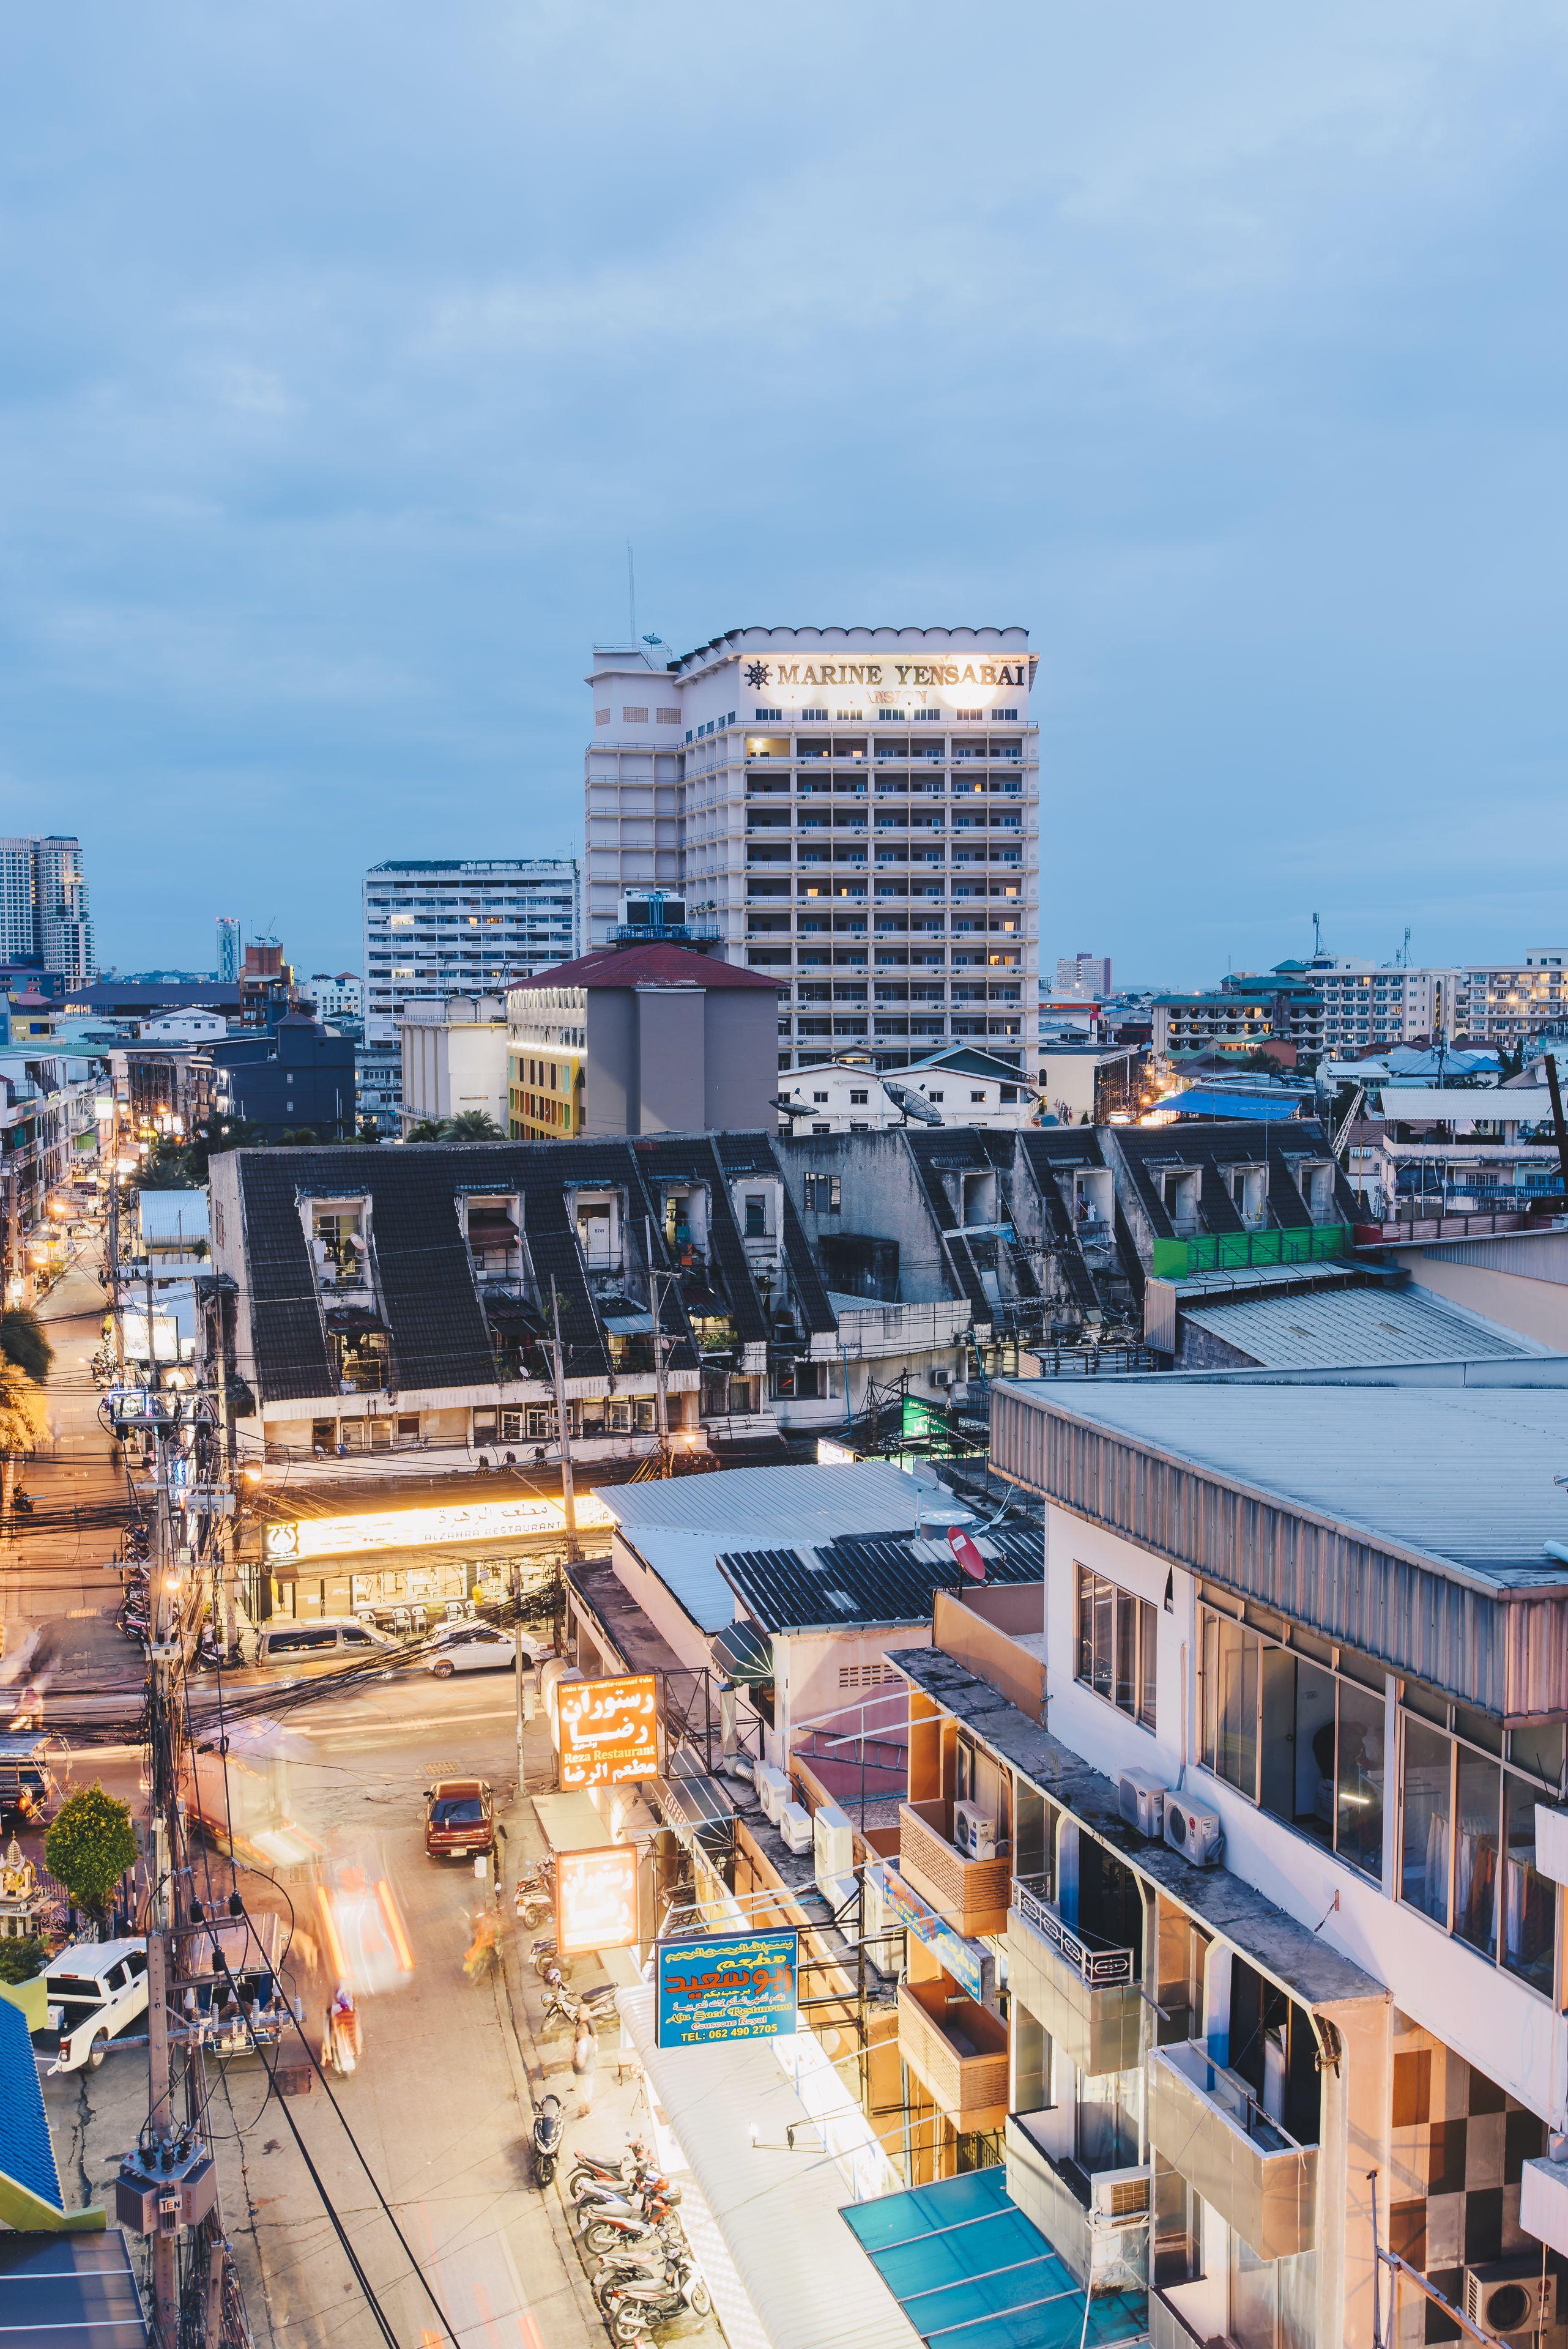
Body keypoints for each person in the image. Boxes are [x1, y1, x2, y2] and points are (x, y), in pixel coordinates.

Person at [571, 2009, 599, 2117]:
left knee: (584, 2093)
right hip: (591, 2068)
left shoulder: (582, 2046)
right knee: (585, 2090)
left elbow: (580, 2063)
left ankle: (587, 2112)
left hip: (584, 2072)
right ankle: (583, 2108)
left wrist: (572, 2060)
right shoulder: (589, 2039)